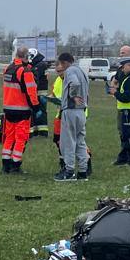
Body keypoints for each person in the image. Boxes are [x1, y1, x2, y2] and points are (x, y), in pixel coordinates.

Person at [0, 45, 38, 173]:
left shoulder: (7, 69)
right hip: (22, 110)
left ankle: (5, 165)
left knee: (9, 137)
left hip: (8, 108)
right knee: (21, 138)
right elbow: (31, 91)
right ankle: (15, 165)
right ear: (26, 56)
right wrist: (36, 106)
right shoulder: (25, 71)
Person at [54, 52, 91, 181]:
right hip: (81, 111)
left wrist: (73, 96)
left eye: (60, 64)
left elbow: (74, 83)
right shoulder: (82, 71)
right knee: (80, 142)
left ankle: (69, 171)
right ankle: (83, 171)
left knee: (68, 141)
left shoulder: (70, 71)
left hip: (70, 110)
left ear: (64, 63)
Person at [28, 49, 53, 140]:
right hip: (39, 92)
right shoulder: (40, 64)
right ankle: (38, 131)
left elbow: (34, 76)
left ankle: (42, 132)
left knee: (40, 112)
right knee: (37, 112)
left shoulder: (40, 65)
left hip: (40, 92)